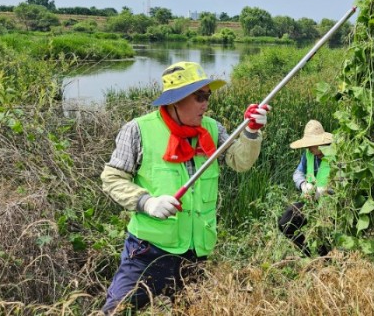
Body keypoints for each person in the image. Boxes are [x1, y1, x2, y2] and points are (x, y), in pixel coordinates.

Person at [100, 61, 270, 314]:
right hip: (149, 250)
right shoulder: (138, 130)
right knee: (117, 311)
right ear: (175, 100)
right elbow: (112, 178)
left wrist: (252, 132)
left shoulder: (213, 129)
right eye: (198, 97)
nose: (206, 103)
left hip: (195, 251)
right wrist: (147, 202)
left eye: (207, 96)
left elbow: (240, 162)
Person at [277, 119, 333, 257]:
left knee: (325, 239)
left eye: (311, 146)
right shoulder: (308, 155)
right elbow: (297, 173)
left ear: (321, 142)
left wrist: (326, 190)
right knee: (285, 224)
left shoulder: (336, 155)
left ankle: (326, 261)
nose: (309, 149)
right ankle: (309, 254)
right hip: (309, 201)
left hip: (331, 205)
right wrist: (303, 185)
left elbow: (345, 180)